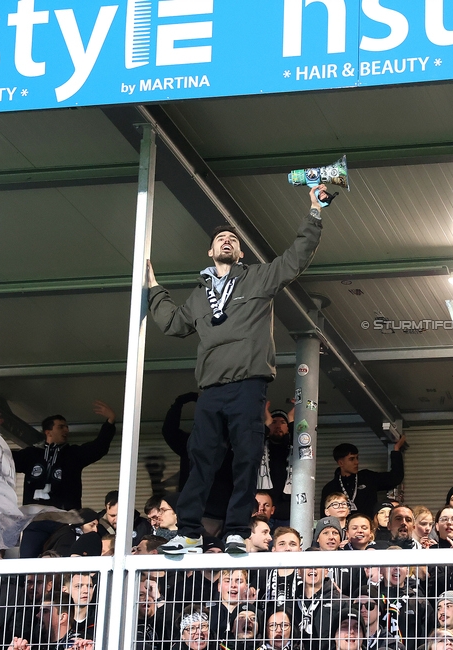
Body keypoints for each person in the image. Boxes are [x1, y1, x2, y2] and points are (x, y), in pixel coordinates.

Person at [147, 185, 328, 554]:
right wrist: (153, 287)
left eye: (232, 239)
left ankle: (235, 530)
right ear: (210, 251)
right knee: (200, 461)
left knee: (246, 458)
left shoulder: (258, 278)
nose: (226, 241)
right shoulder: (198, 296)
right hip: (211, 389)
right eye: (220, 239)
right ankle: (191, 532)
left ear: (240, 252)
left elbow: (296, 258)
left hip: (248, 385)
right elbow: (173, 324)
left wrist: (314, 210)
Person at [12, 401, 117, 511]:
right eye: (61, 427)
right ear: (48, 432)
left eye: (66, 427)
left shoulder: (73, 454)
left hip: (65, 520)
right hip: (34, 520)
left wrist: (110, 422)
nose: (66, 430)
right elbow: (3, 459)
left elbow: (99, 447)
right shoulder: (31, 455)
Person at [162, 391, 233, 537]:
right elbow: (169, 431)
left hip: (219, 512)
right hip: (193, 510)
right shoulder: (190, 443)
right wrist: (180, 402)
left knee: (213, 551)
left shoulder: (231, 444)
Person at [321, 440, 406, 519]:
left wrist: (396, 450)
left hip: (368, 531)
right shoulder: (330, 488)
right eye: (351, 459)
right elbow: (324, 516)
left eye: (357, 458)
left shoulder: (367, 478)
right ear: (340, 463)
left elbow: (395, 478)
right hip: (341, 533)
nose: (356, 462)